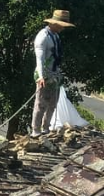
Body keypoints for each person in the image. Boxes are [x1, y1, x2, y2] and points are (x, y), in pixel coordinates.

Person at [31, 9, 73, 137]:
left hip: (55, 74)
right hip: (44, 74)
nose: (62, 28)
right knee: (41, 104)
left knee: (53, 104)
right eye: (61, 25)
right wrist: (41, 77)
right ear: (54, 23)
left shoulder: (55, 36)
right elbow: (39, 59)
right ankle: (36, 130)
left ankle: (46, 127)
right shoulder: (43, 37)